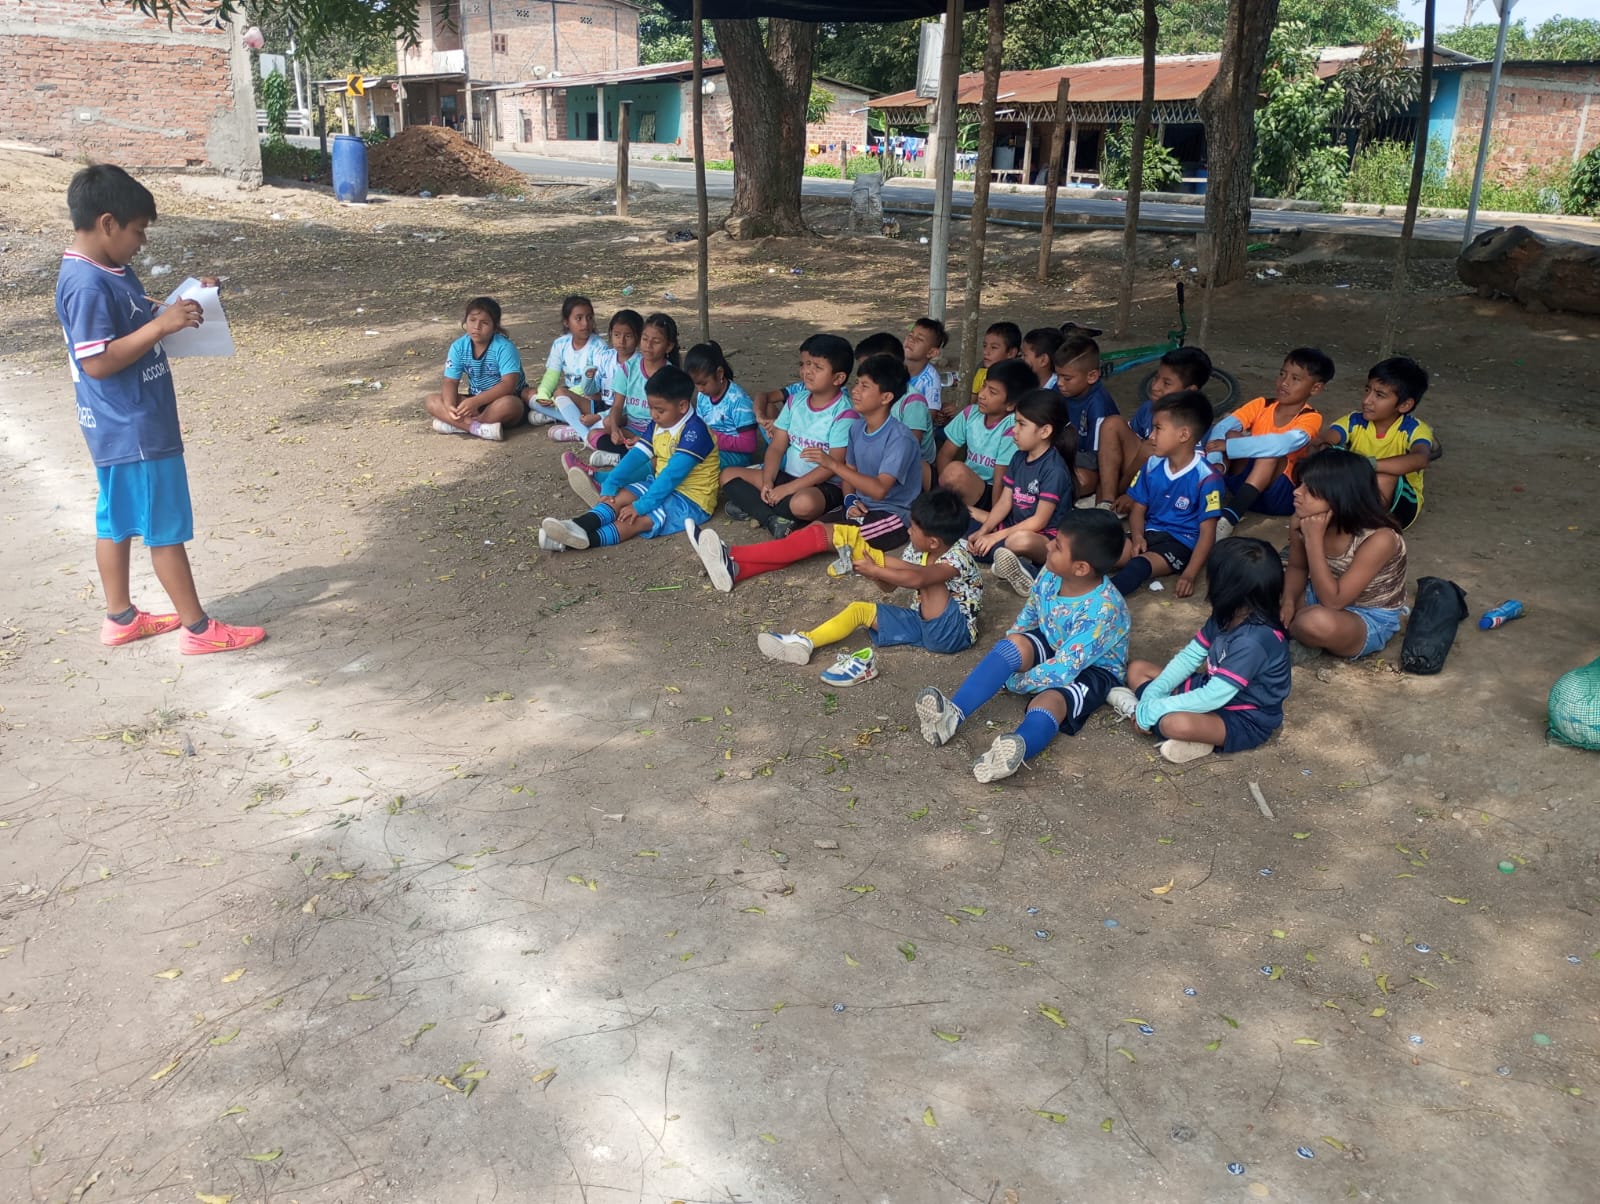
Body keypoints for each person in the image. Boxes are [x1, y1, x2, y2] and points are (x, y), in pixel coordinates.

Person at [56, 164, 265, 653]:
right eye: (138, 230)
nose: (142, 242)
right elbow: (97, 361)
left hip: (114, 426)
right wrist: (161, 326)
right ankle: (198, 630)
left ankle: (120, 618)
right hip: (135, 426)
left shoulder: (105, 269)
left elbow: (132, 319)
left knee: (116, 521)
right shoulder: (87, 284)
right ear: (108, 223)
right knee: (163, 526)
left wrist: (185, 302)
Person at [915, 508, 1129, 783]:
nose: (1048, 545)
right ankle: (952, 715)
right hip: (1056, 642)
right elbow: (1029, 614)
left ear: (1080, 568)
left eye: (1057, 546)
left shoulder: (1104, 610)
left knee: (1050, 700)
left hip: (1094, 669)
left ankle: (1015, 750)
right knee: (1014, 644)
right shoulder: (1051, 573)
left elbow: (1063, 670)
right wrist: (1012, 646)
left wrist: (1016, 681)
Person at [685, 354, 920, 589]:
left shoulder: (899, 438)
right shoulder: (858, 428)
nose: (855, 390)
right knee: (806, 535)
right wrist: (849, 499)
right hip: (857, 505)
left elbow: (879, 490)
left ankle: (732, 554)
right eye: (857, 383)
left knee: (815, 536)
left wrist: (832, 465)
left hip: (890, 516)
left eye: (865, 386)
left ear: (886, 397)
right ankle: (737, 569)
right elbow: (851, 471)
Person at [744, 490, 982, 687]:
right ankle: (806, 641)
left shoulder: (959, 555)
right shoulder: (916, 550)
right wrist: (870, 568)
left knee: (929, 579)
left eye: (913, 528)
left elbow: (918, 579)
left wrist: (878, 567)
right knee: (860, 609)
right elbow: (890, 586)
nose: (908, 531)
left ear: (934, 542)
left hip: (951, 634)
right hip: (921, 620)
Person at [1108, 537, 1290, 765]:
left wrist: (1156, 708)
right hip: (1209, 689)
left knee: (1174, 724)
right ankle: (1152, 714)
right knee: (1137, 669)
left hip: (1244, 716)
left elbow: (1213, 696)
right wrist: (1154, 694)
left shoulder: (1253, 641)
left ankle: (1142, 712)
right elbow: (1189, 657)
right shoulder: (1227, 614)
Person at [539, 366, 718, 552]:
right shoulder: (661, 422)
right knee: (618, 497)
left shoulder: (696, 432)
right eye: (650, 407)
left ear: (682, 406)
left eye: (659, 410)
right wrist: (612, 481)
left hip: (691, 500)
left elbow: (672, 476)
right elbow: (638, 454)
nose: (653, 415)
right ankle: (577, 525)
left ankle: (566, 543)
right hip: (660, 483)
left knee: (636, 519)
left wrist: (640, 506)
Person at [720, 333, 857, 537]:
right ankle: (774, 518)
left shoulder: (844, 413)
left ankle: (758, 509)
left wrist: (787, 490)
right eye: (805, 364)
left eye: (817, 367)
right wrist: (768, 480)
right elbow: (777, 447)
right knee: (727, 475)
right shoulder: (795, 401)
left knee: (804, 504)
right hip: (786, 476)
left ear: (838, 378)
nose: (807, 372)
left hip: (822, 486)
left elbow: (832, 466)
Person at [1280, 449, 1408, 661]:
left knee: (1314, 623)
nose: (1297, 492)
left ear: (1340, 496)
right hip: (1318, 593)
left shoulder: (1379, 539)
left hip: (1366, 615)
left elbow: (1334, 602)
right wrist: (1288, 602)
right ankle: (1298, 630)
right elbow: (1297, 567)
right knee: (1259, 587)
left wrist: (1313, 541)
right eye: (1300, 484)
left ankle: (1293, 631)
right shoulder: (1302, 519)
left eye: (1310, 489)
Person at [1207, 347, 1334, 538]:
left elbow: (1282, 444)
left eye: (1295, 379)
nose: (1284, 382)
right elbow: (1222, 428)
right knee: (1231, 433)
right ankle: (1210, 496)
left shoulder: (1311, 417)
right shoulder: (1262, 404)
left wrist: (1230, 447)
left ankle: (1229, 518)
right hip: (1242, 485)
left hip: (1277, 495)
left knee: (1269, 453)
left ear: (1315, 388)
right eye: (1282, 374)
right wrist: (1217, 461)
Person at [1109, 390, 1223, 599]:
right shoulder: (1152, 464)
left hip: (1181, 544)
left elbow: (1208, 533)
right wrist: (1138, 537)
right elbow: (1138, 508)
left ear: (1184, 435)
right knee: (1105, 551)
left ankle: (1101, 602)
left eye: (1158, 428)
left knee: (1138, 566)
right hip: (1149, 533)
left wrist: (1189, 574)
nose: (1151, 436)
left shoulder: (1207, 478)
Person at [970, 389, 1076, 596]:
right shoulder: (1019, 457)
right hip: (1011, 525)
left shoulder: (1054, 469)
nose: (1014, 430)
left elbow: (1039, 521)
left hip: (1042, 537)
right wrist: (984, 531)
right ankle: (1004, 558)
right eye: (1015, 423)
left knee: (1018, 541)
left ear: (1045, 431)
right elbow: (1004, 503)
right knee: (963, 512)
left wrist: (994, 536)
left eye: (1021, 424)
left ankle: (1028, 570)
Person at [1316, 356, 1433, 529]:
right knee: (1323, 457)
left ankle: (1364, 528)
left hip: (1400, 505)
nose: (1366, 400)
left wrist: (1366, 465)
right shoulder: (1354, 421)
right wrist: (1326, 449)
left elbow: (1421, 459)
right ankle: (1341, 522)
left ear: (1405, 405)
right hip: (1358, 492)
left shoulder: (1413, 429)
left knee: (1385, 476)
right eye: (1367, 390)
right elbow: (1323, 440)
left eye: (1379, 395)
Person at [1115, 345, 1212, 512]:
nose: (1155, 386)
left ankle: (1130, 496)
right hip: (1139, 472)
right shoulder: (1148, 408)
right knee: (1113, 424)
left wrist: (1134, 493)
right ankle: (1106, 500)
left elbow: (1185, 475)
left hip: (1167, 488)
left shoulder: (1194, 425)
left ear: (1190, 391)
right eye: (1156, 378)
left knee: (1151, 453)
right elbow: (1135, 446)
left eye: (1166, 383)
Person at [425, 296, 528, 442]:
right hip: (475, 400)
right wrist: (450, 406)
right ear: (465, 321)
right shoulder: (458, 347)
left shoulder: (504, 347)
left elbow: (508, 385)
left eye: (484, 323)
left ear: (495, 326)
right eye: (472, 320)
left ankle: (460, 425)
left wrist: (476, 402)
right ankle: (477, 428)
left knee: (509, 404)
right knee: (432, 400)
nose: (476, 327)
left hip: (503, 400)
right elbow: (450, 381)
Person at [935, 358, 1033, 507]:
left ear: (1010, 404)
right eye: (984, 386)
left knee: (956, 471)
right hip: (962, 482)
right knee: (922, 467)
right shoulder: (970, 414)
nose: (982, 395)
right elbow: (945, 454)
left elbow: (1000, 477)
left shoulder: (1012, 427)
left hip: (991, 491)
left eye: (992, 392)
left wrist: (994, 515)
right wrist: (945, 486)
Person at [593, 311, 681, 467]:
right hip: (631, 428)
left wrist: (645, 439)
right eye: (645, 339)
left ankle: (624, 459)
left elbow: (671, 419)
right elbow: (617, 406)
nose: (648, 345)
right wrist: (615, 429)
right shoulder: (629, 368)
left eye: (656, 341)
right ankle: (632, 457)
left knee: (666, 448)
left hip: (657, 431)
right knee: (597, 432)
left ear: (669, 346)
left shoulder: (670, 376)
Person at [1053, 333, 1132, 506]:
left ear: (1092, 376)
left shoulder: (1098, 404)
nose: (1059, 383)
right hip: (1061, 456)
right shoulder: (1059, 391)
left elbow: (1095, 459)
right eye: (1057, 376)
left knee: (1080, 481)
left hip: (1087, 465)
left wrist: (1057, 454)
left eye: (1066, 378)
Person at [551, 307, 641, 446]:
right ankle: (584, 433)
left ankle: (581, 433)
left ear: (638, 338)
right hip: (603, 404)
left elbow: (629, 405)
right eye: (617, 335)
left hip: (623, 413)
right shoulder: (605, 357)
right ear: (611, 334)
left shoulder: (639, 364)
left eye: (628, 336)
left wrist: (598, 416)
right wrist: (588, 378)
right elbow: (590, 391)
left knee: (609, 422)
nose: (621, 341)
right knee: (560, 392)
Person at [856, 331, 934, 473]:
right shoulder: (867, 397)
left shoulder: (912, 402)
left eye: (871, 370)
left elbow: (909, 449)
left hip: (910, 468)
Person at [525, 294, 603, 428]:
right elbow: (551, 375)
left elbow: (595, 383)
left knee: (593, 395)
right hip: (566, 394)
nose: (585, 323)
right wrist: (543, 395)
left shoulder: (598, 346)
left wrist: (562, 397)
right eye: (579, 318)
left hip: (587, 395)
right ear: (566, 322)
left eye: (589, 318)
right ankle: (566, 416)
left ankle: (562, 418)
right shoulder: (560, 344)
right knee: (527, 393)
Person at [686, 341, 760, 469]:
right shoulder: (703, 396)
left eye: (703, 383)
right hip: (710, 447)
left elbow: (749, 444)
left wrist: (712, 438)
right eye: (696, 384)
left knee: (696, 466)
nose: (699, 389)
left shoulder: (738, 401)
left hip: (736, 456)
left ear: (719, 373)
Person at [904, 316, 949, 428]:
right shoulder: (893, 365)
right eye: (910, 335)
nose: (911, 340)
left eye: (919, 339)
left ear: (932, 353)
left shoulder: (931, 380)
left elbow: (929, 417)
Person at [967, 320, 1022, 409]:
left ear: (1011, 353)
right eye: (985, 346)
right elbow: (972, 401)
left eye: (994, 347)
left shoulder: (1017, 378)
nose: (986, 352)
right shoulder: (981, 369)